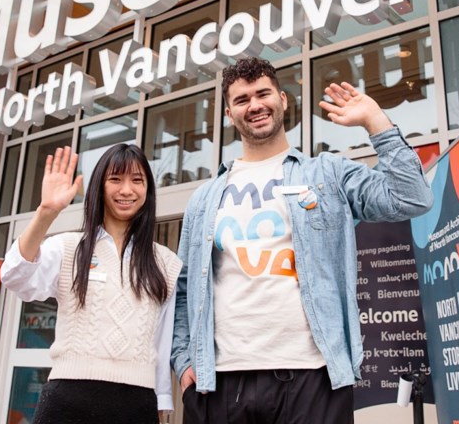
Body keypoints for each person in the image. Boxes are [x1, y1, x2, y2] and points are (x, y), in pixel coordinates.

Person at [171, 57, 434, 424]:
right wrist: (183, 360)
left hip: (313, 376)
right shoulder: (204, 198)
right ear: (230, 114)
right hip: (221, 380)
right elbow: (183, 290)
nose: (255, 105)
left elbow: (412, 197)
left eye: (263, 94)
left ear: (281, 99)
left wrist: (377, 122)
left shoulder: (326, 173)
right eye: (243, 100)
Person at [1, 143, 182, 424]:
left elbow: (161, 339)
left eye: (137, 180)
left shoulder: (166, 262)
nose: (126, 190)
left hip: (137, 404)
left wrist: (161, 400)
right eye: (115, 179)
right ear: (99, 186)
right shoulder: (69, 247)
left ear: (148, 190)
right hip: (68, 398)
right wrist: (45, 213)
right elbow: (15, 277)